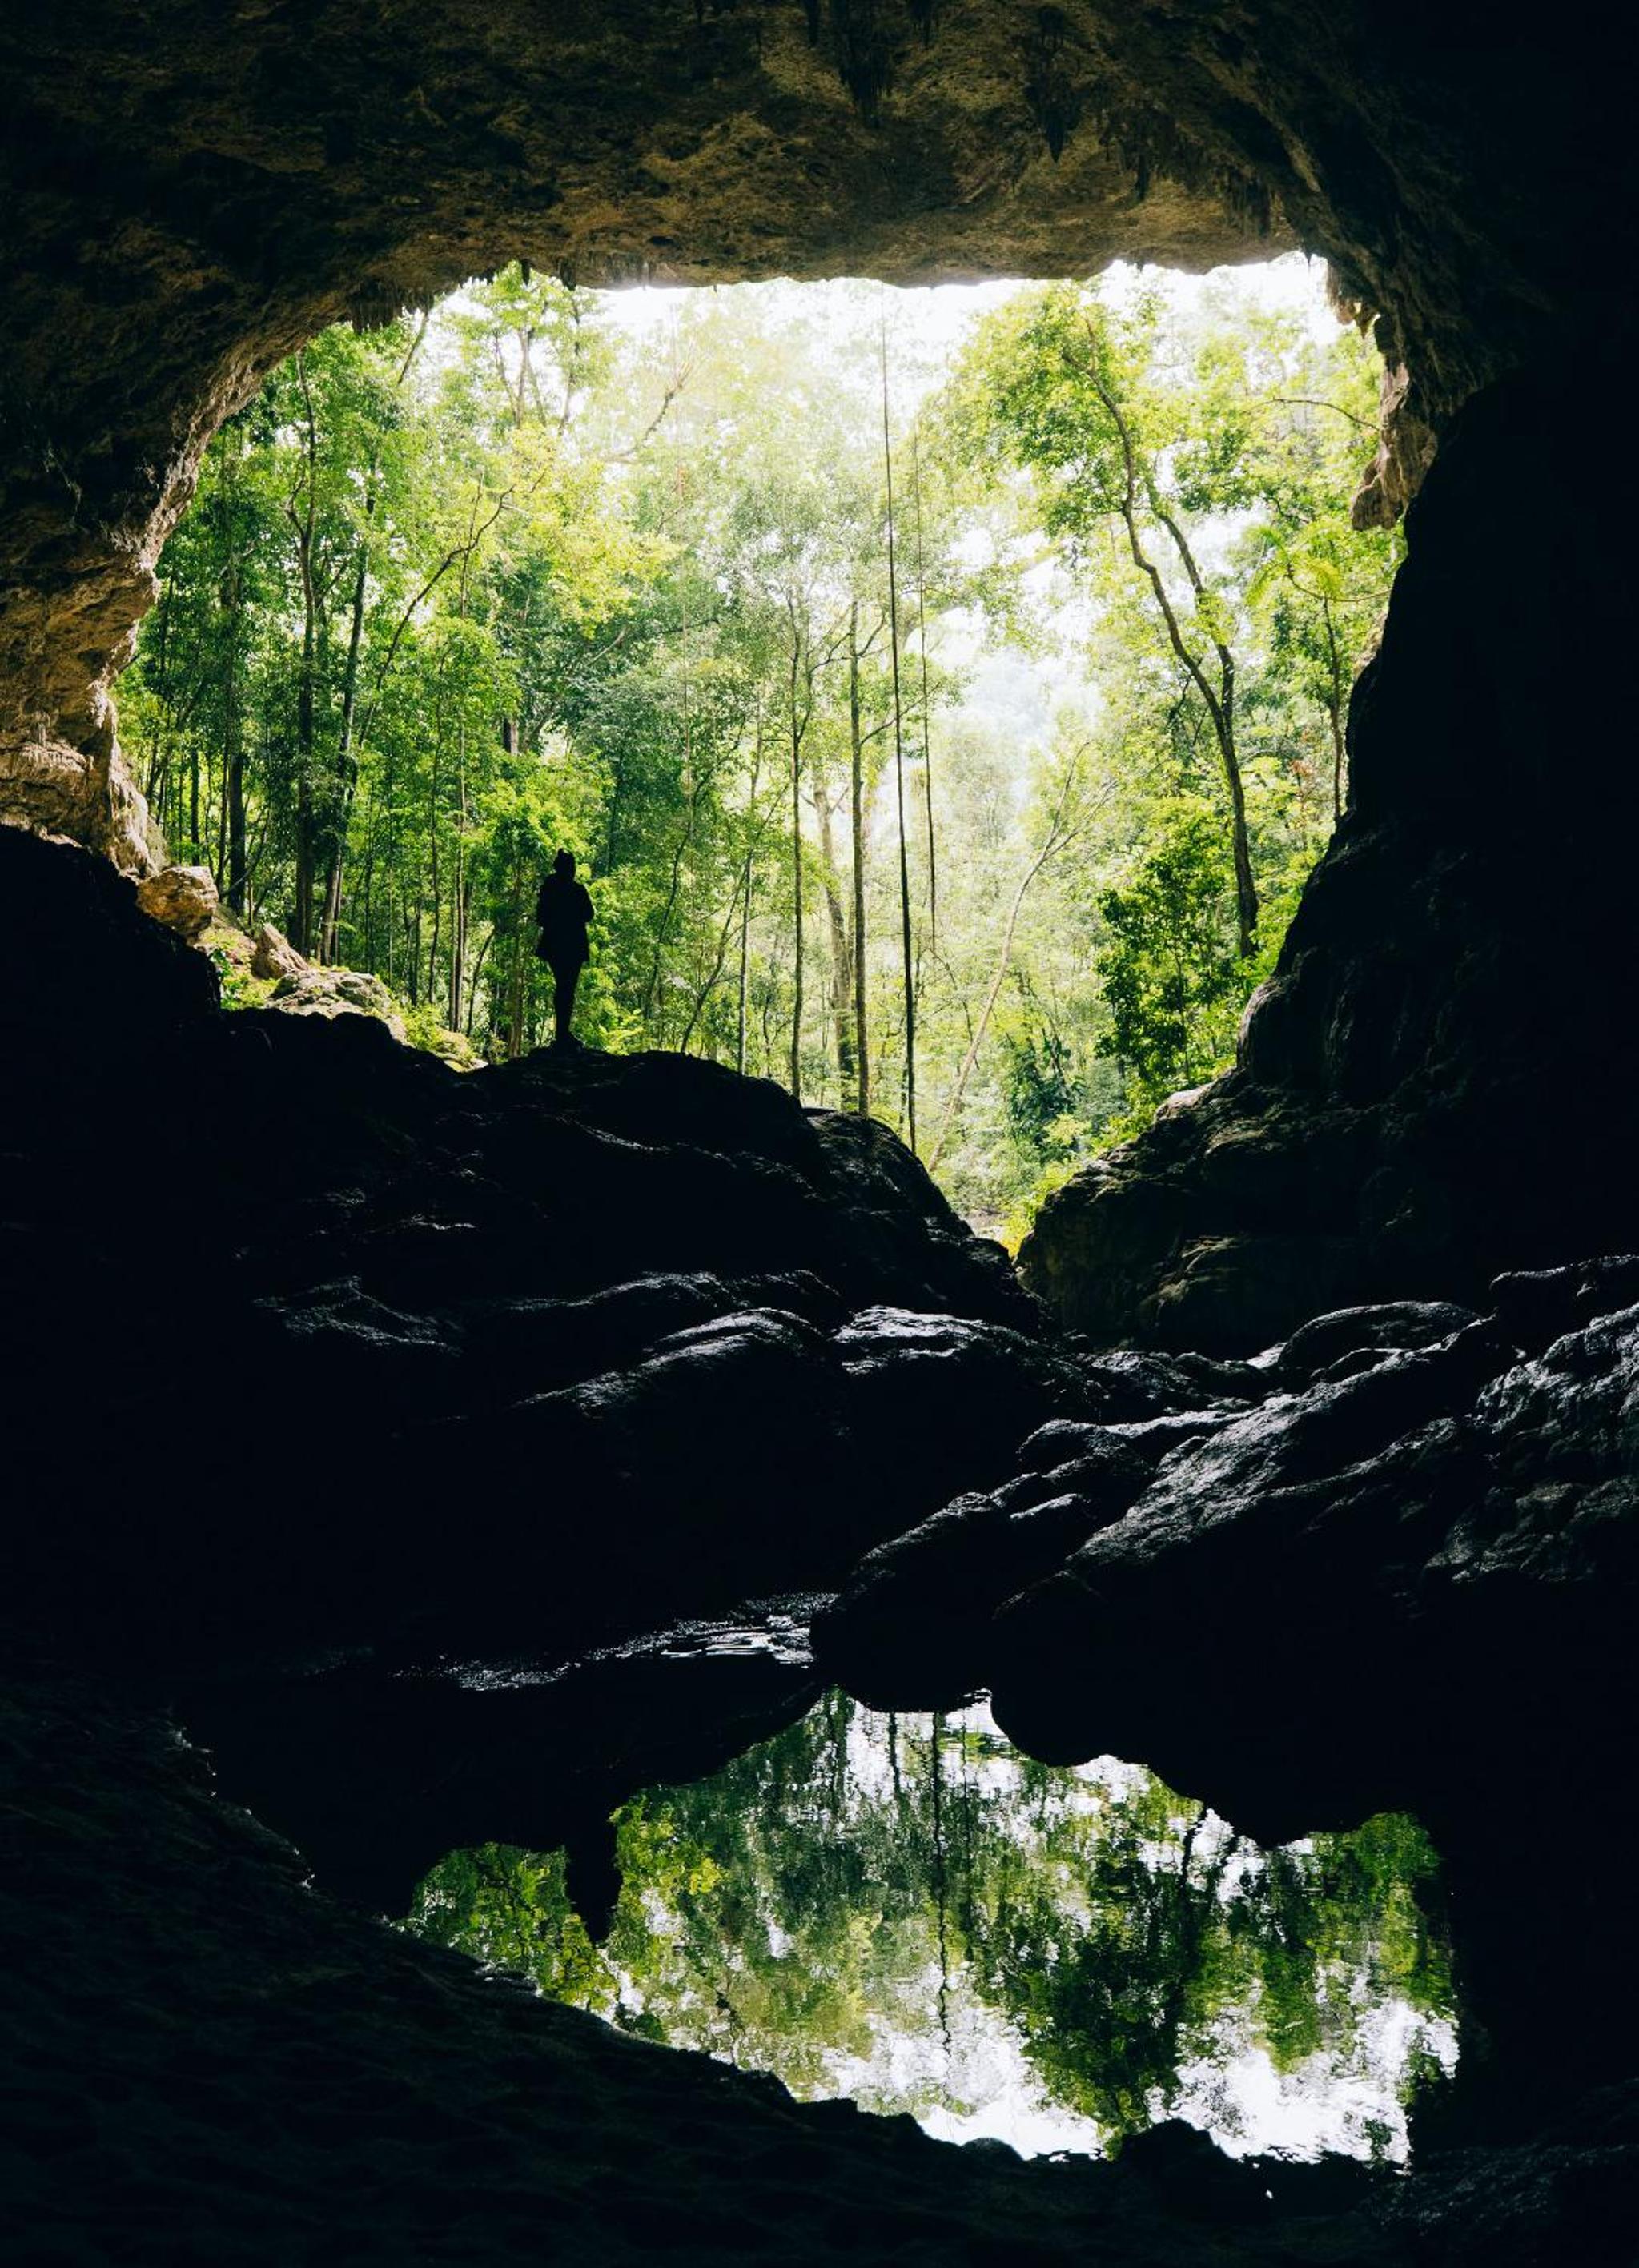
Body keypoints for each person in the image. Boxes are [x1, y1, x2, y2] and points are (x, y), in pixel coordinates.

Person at [535, 849, 594, 1046]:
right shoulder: (576, 890)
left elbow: (541, 918)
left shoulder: (549, 889)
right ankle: (562, 1033)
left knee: (564, 987)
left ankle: (562, 1032)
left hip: (555, 945)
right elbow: (588, 914)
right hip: (571, 946)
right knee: (566, 987)